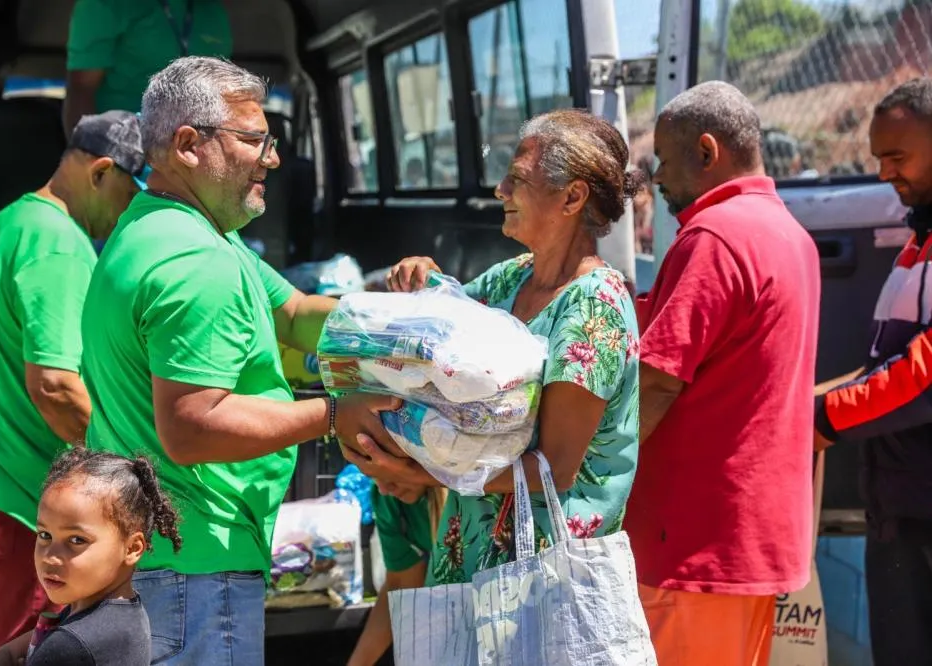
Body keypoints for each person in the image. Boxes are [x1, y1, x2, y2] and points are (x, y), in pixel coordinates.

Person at [78, 56, 399, 665]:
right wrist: (333, 416)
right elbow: (193, 426)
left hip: (158, 558)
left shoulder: (170, 228)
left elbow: (296, 311)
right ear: (189, 145)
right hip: (194, 567)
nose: (273, 158)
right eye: (254, 140)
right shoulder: (197, 263)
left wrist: (407, 327)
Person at [346, 108, 642, 587]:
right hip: (478, 567)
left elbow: (554, 469)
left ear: (572, 197)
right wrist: (420, 277)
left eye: (516, 180)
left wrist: (426, 474)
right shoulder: (513, 277)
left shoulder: (595, 307)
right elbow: (449, 325)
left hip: (544, 579)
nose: (500, 192)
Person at [0, 110, 145, 666]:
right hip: (21, 492)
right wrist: (120, 474)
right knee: (23, 653)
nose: (132, 211)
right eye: (131, 192)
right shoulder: (59, 245)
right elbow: (54, 385)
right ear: (102, 172)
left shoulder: (11, 221)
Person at [630, 80, 820, 666]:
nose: (657, 179)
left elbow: (658, 380)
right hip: (751, 546)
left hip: (696, 547)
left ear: (707, 152)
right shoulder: (792, 235)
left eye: (665, 160)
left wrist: (586, 468)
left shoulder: (713, 236)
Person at [814, 77, 932, 666]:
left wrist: (822, 420)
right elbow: (883, 368)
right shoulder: (917, 248)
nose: (885, 173)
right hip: (900, 508)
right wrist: (812, 400)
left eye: (897, 156)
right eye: (879, 157)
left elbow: (922, 378)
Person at [0, 448, 182, 666]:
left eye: (77, 540)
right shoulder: (120, 613)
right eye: (45, 535)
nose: (50, 557)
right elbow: (10, 654)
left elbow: (7, 655)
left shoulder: (72, 644)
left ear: (132, 548)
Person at [63, 0, 232, 135]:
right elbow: (81, 89)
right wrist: (88, 159)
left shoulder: (213, 8)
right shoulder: (103, 4)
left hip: (194, 150)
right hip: (124, 152)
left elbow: (224, 90)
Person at [348, 485, 447, 666]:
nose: (384, 488)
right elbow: (400, 585)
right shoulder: (386, 495)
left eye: (384, 470)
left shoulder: (470, 493)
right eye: (372, 475)